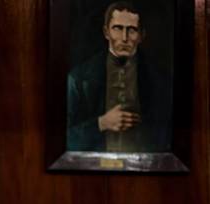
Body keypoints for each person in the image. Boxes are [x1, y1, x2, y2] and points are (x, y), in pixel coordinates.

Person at [67, 1, 172, 152]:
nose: (124, 38)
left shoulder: (160, 81)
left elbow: (167, 137)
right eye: (117, 28)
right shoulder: (79, 78)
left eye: (132, 30)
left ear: (141, 35)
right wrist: (101, 123)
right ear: (106, 32)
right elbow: (65, 137)